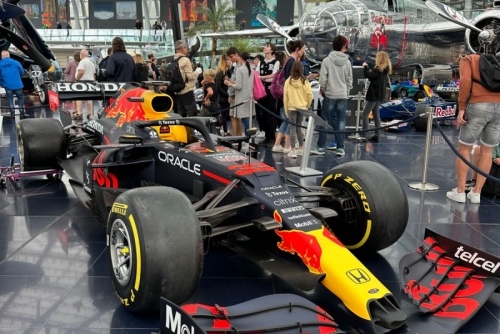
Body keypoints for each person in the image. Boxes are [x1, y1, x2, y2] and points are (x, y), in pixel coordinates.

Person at [446, 53, 500, 204]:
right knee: (488, 151)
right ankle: (476, 193)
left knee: (465, 148)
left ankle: (460, 191)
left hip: (478, 105)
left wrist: (462, 107)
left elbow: (465, 81)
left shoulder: (469, 59)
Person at [311, 35, 353, 157]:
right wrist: (346, 91)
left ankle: (320, 146)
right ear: (343, 46)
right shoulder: (348, 61)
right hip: (342, 95)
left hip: (329, 94)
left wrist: (323, 90)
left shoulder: (327, 61)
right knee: (341, 121)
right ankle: (340, 147)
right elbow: (350, 80)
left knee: (324, 120)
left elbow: (323, 79)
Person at [272, 41, 305, 153]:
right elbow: (290, 81)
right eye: (302, 49)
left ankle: (278, 144)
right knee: (291, 122)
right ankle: (287, 146)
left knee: (286, 121)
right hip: (290, 99)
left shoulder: (289, 61)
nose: (303, 51)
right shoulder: (291, 62)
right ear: (297, 49)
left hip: (286, 98)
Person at [360, 51, 392, 143]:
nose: (375, 59)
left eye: (377, 57)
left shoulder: (378, 69)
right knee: (376, 114)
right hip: (379, 95)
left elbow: (368, 75)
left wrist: (365, 67)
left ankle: (364, 134)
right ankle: (377, 134)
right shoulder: (385, 71)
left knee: (365, 114)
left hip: (373, 95)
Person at [283, 61, 312, 158]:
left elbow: (285, 97)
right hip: (302, 108)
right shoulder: (305, 81)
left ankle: (293, 150)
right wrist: (307, 106)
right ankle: (301, 148)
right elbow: (310, 95)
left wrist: (286, 109)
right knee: (299, 127)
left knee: (292, 128)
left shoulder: (288, 81)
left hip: (292, 107)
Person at [224, 51, 254, 136]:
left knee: (245, 120)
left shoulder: (240, 69)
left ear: (240, 58)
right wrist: (232, 82)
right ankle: (250, 140)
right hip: (249, 97)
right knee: (248, 120)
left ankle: (249, 139)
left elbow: (239, 86)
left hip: (241, 98)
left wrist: (229, 83)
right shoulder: (250, 69)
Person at [256, 42, 279, 146]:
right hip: (262, 90)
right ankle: (266, 136)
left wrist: (263, 77)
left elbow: (274, 76)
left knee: (270, 113)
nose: (265, 48)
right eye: (264, 46)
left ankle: (272, 137)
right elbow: (256, 75)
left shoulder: (276, 62)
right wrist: (263, 78)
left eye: (267, 46)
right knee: (263, 114)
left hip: (270, 91)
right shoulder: (261, 62)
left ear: (272, 49)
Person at [172, 39, 201, 117]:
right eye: (186, 48)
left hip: (177, 92)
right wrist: (198, 71)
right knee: (192, 115)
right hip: (187, 91)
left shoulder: (174, 60)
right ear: (183, 48)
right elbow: (190, 76)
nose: (187, 49)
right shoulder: (185, 60)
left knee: (182, 116)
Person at [0, 51, 26, 118]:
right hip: (18, 84)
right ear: (9, 56)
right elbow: (22, 72)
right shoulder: (16, 62)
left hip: (7, 85)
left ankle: (12, 114)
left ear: (2, 56)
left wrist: (1, 83)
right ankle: (22, 113)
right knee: (20, 99)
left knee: (10, 99)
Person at [74, 49, 96, 119]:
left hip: (82, 82)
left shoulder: (82, 62)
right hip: (91, 81)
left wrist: (77, 78)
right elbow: (94, 74)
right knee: (89, 99)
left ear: (81, 55)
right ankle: (90, 114)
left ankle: (79, 113)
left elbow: (81, 71)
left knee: (79, 98)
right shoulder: (91, 62)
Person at [215, 54, 233, 135]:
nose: (230, 61)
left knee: (226, 115)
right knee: (224, 115)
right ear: (224, 61)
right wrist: (227, 95)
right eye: (228, 60)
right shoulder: (220, 73)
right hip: (223, 97)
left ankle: (223, 130)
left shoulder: (228, 71)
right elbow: (218, 87)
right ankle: (222, 129)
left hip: (229, 95)